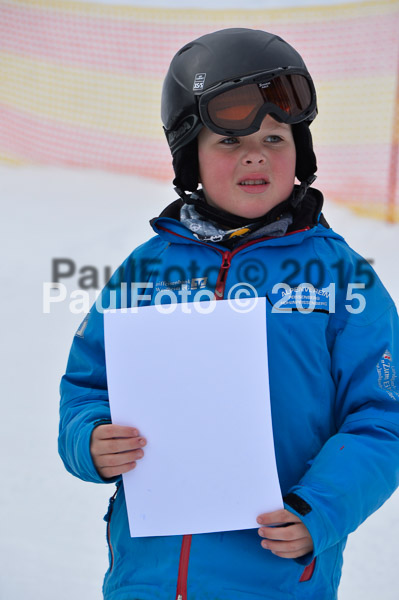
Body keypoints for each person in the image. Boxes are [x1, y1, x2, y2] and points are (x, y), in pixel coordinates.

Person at [59, 28, 399, 600]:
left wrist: (321, 509)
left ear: (301, 153)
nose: (254, 155)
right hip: (148, 578)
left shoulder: (342, 279)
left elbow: (384, 418)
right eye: (226, 140)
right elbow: (88, 384)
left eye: (274, 137)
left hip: (275, 573)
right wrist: (88, 437)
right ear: (190, 155)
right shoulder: (147, 270)